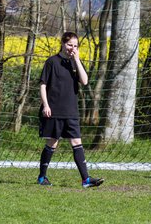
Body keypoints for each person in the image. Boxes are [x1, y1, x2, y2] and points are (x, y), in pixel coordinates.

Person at [37, 31, 104, 188]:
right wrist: (46, 105)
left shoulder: (75, 62)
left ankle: (86, 179)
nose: (72, 48)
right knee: (52, 143)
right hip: (54, 110)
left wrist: (77, 60)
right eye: (69, 45)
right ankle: (42, 177)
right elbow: (42, 85)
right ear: (62, 43)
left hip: (71, 111)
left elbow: (85, 81)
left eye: (75, 46)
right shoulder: (51, 62)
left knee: (77, 142)